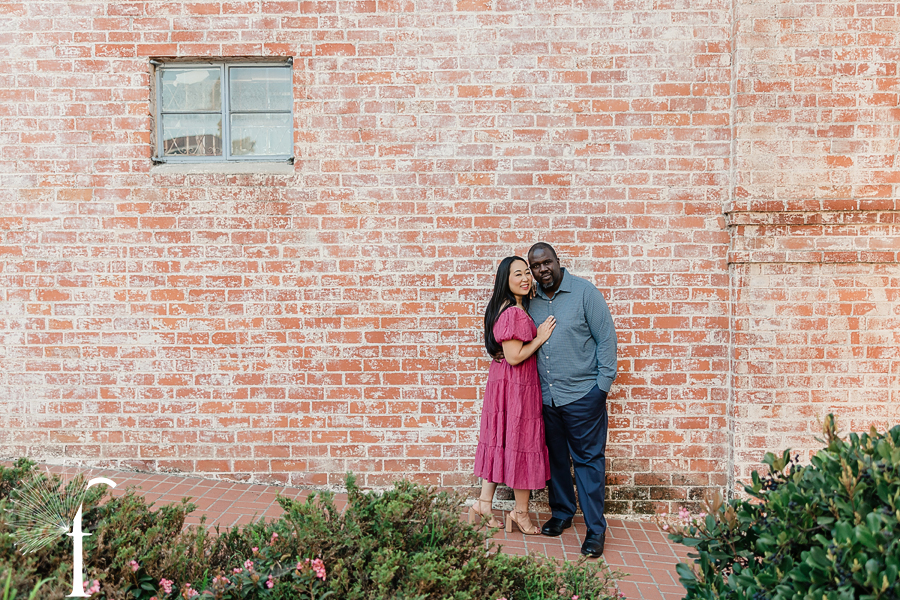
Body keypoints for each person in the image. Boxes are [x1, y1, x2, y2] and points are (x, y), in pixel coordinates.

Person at [526, 242, 617, 557]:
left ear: (557, 261)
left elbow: (606, 338)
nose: (543, 270)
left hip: (583, 397)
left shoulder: (585, 293)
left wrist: (600, 388)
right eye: (536, 266)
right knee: (556, 460)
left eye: (546, 262)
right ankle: (562, 513)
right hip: (547, 397)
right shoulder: (530, 300)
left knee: (588, 462)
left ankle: (595, 530)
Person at [471, 256, 556, 535]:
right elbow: (514, 356)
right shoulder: (513, 313)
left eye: (526, 273)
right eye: (517, 274)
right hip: (516, 386)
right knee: (521, 442)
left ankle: (484, 504)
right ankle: (520, 513)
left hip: (508, 385)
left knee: (503, 441)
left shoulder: (514, 308)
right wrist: (540, 338)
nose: (525, 278)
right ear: (505, 281)